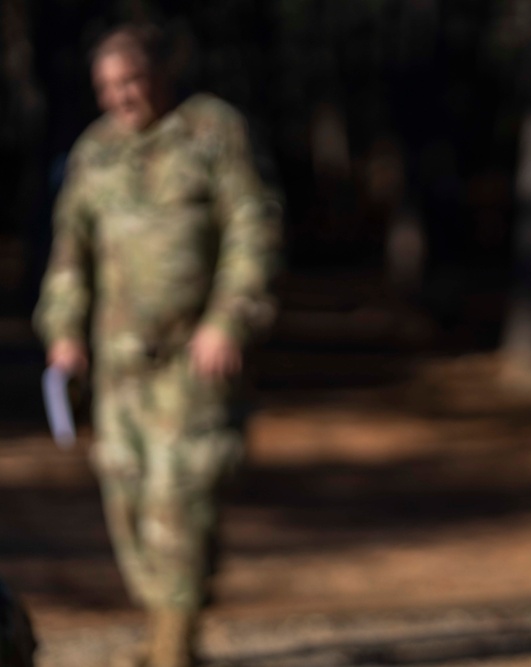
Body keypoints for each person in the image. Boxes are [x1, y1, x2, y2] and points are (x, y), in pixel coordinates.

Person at [34, 24, 280, 667]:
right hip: (118, 365)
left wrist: (228, 319)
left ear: (159, 75)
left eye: (131, 81)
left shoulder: (212, 131)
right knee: (129, 500)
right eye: (107, 87)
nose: (121, 97)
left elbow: (253, 228)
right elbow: (69, 254)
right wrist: (62, 331)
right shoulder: (94, 153)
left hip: (191, 362)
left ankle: (174, 646)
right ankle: (164, 626)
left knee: (182, 497)